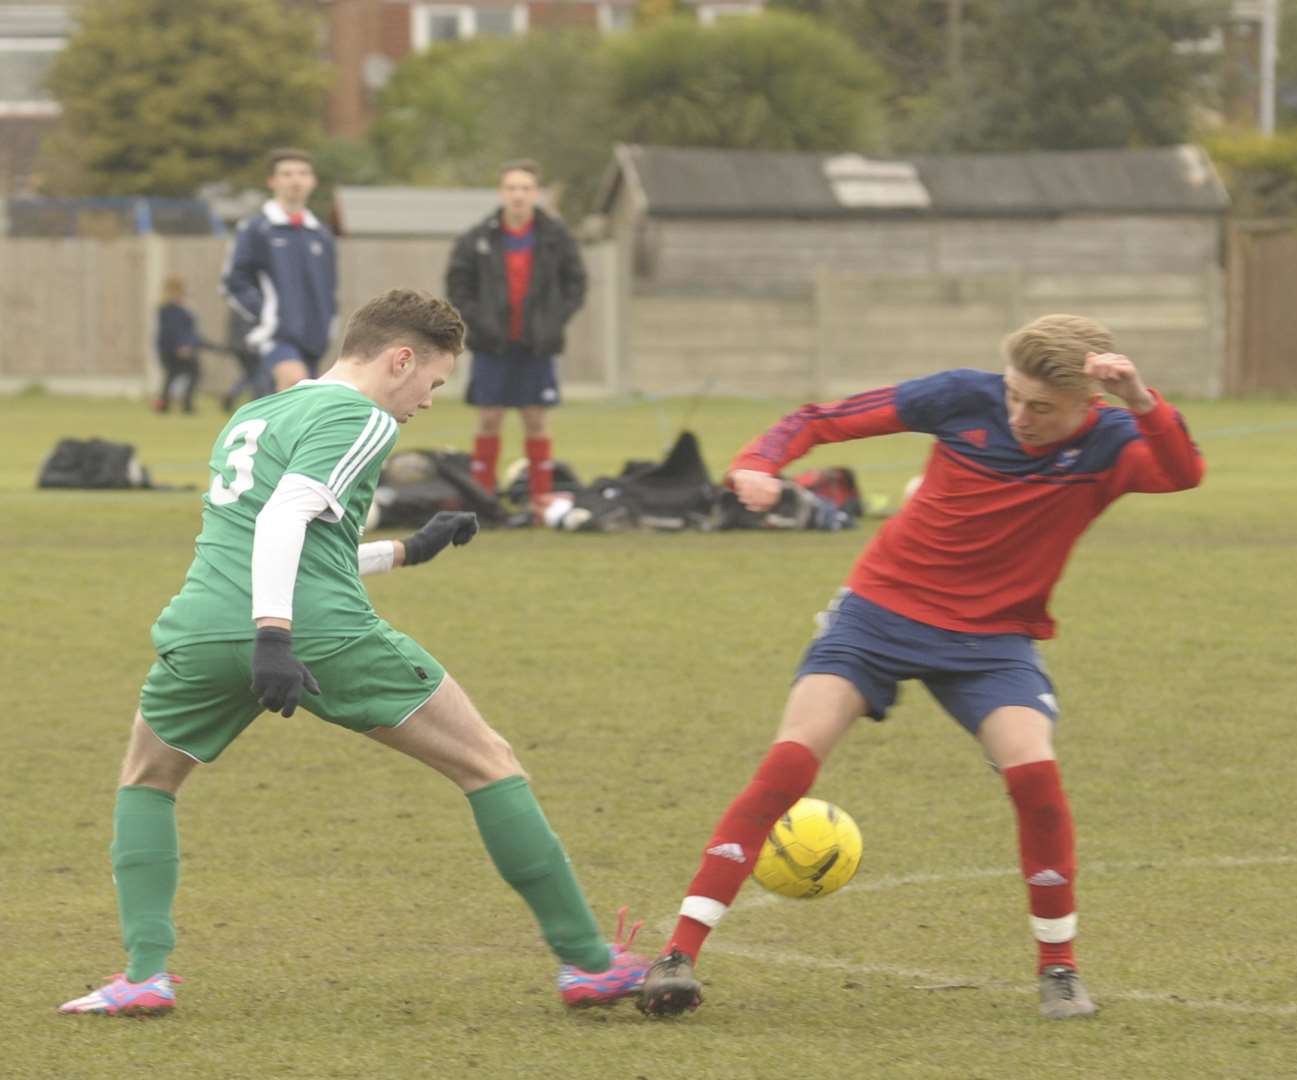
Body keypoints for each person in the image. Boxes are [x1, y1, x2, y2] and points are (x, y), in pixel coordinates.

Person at [58, 289, 648, 1018]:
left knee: (147, 780)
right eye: (433, 381)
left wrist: (404, 551)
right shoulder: (363, 416)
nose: (429, 402)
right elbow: (286, 517)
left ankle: (144, 974)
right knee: (487, 762)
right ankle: (588, 962)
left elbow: (273, 540)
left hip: (204, 626)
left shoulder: (258, 413)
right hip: (312, 631)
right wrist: (275, 635)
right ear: (399, 359)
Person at [638, 314, 1205, 1021]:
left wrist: (1143, 400)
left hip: (992, 642)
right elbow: (821, 419)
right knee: (789, 759)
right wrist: (758, 462)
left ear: (1089, 404)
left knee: (1035, 773)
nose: (1020, 416)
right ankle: (678, 956)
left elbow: (1184, 473)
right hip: (878, 616)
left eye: (1043, 408)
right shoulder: (961, 396)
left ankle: (1059, 968)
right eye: (1014, 397)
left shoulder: (1113, 441)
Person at [445, 159, 587, 504]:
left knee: (535, 418)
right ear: (501, 192)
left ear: (535, 193)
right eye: (512, 188)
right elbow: (458, 285)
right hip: (492, 344)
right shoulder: (478, 237)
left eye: (525, 188)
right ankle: (482, 497)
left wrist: (553, 321)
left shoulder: (556, 237)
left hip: (536, 346)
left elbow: (576, 283)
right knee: (489, 417)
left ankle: (541, 500)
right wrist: (479, 321)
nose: (518, 195)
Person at [221, 147, 338, 398]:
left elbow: (329, 286)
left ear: (313, 181)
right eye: (286, 174)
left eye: (303, 173)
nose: (295, 180)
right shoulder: (256, 229)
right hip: (276, 336)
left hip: (314, 339)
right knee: (294, 386)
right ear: (272, 181)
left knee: (298, 414)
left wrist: (329, 322)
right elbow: (233, 282)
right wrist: (267, 317)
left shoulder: (321, 234)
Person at [153, 275, 202, 414]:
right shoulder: (171, 308)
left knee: (171, 375)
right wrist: (182, 346)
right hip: (177, 348)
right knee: (193, 372)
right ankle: (185, 403)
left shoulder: (168, 308)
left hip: (169, 348)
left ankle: (164, 403)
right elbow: (175, 329)